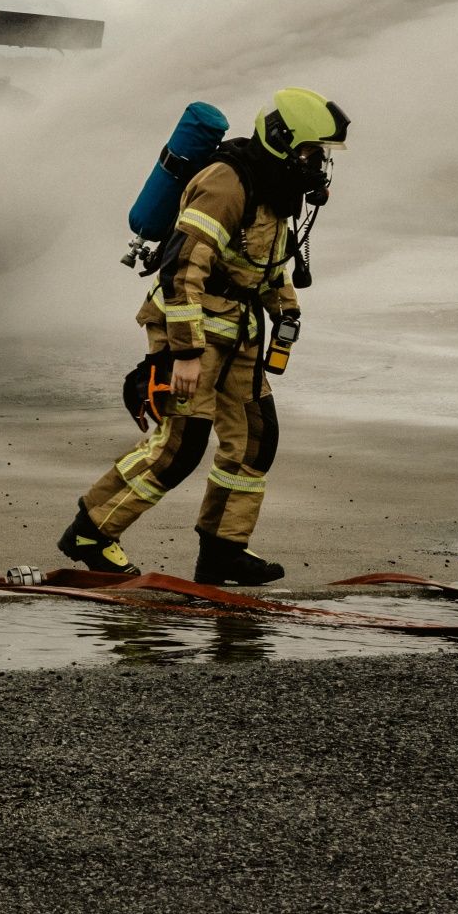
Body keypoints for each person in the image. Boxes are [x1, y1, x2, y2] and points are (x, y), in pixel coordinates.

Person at [59, 88, 350, 586]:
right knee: (180, 447)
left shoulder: (276, 187)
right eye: (310, 152)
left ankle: (222, 551)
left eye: (321, 155)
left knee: (255, 440)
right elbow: (181, 269)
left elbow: (267, 265)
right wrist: (186, 354)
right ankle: (91, 531)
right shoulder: (227, 183)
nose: (317, 164)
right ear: (282, 140)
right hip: (190, 329)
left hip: (237, 332)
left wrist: (286, 315)